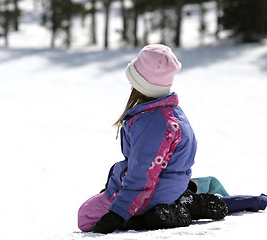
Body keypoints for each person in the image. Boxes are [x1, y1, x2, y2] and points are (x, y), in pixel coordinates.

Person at [77, 44, 228, 234]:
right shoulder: (169, 111)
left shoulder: (152, 122)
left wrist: (118, 213)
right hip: (172, 185)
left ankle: (153, 217)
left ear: (140, 85)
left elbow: (142, 175)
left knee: (86, 216)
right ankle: (176, 202)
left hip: (156, 191)